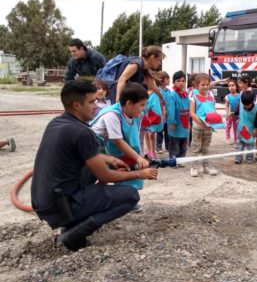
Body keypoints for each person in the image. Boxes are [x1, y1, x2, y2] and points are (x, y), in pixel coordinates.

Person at [31, 81, 158, 252]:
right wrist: (139, 174)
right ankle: (74, 234)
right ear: (76, 105)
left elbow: (88, 159)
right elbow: (105, 177)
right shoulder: (83, 133)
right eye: (91, 102)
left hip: (44, 202)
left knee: (93, 168)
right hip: (60, 207)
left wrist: (108, 159)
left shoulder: (57, 123)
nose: (96, 107)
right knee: (130, 196)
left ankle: (72, 221)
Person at [91, 83, 150, 181]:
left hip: (110, 147)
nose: (143, 108)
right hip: (95, 146)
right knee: (102, 177)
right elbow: (117, 141)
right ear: (129, 104)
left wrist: (139, 155)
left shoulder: (136, 115)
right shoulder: (112, 114)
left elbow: (134, 137)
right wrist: (138, 158)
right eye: (142, 105)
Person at [189, 73, 226, 177]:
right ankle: (194, 167)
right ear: (197, 86)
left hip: (209, 127)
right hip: (198, 126)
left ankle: (206, 166)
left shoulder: (211, 98)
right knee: (195, 147)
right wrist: (200, 123)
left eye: (207, 84)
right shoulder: (194, 98)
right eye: (202, 85)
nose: (205, 87)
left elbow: (212, 111)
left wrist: (215, 122)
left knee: (206, 148)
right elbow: (192, 113)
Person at [167, 71, 190, 161]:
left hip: (184, 123)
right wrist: (172, 122)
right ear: (174, 82)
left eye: (183, 81)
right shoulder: (172, 95)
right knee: (174, 143)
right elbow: (170, 110)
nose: (181, 83)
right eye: (178, 81)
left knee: (184, 143)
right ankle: (173, 160)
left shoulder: (186, 94)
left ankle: (181, 160)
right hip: (176, 123)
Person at [235, 91, 257, 164]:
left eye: (248, 105)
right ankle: (238, 158)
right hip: (241, 129)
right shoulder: (240, 104)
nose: (246, 106)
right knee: (240, 145)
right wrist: (233, 114)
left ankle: (249, 158)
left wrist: (256, 129)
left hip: (250, 130)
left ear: (252, 101)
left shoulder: (256, 109)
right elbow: (236, 112)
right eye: (244, 105)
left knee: (250, 145)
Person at [156, 71, 171, 154]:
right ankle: (158, 147)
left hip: (168, 114)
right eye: (167, 79)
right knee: (160, 131)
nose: (169, 80)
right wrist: (162, 114)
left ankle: (168, 146)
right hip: (161, 113)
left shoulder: (168, 91)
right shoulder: (159, 91)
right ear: (161, 80)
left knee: (167, 131)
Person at [224, 79, 240, 145]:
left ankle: (236, 139)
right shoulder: (227, 97)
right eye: (229, 86)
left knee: (236, 127)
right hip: (230, 115)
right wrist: (228, 113)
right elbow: (226, 106)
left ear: (236, 86)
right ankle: (228, 138)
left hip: (237, 115)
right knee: (228, 126)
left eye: (233, 85)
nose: (231, 87)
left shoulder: (240, 96)